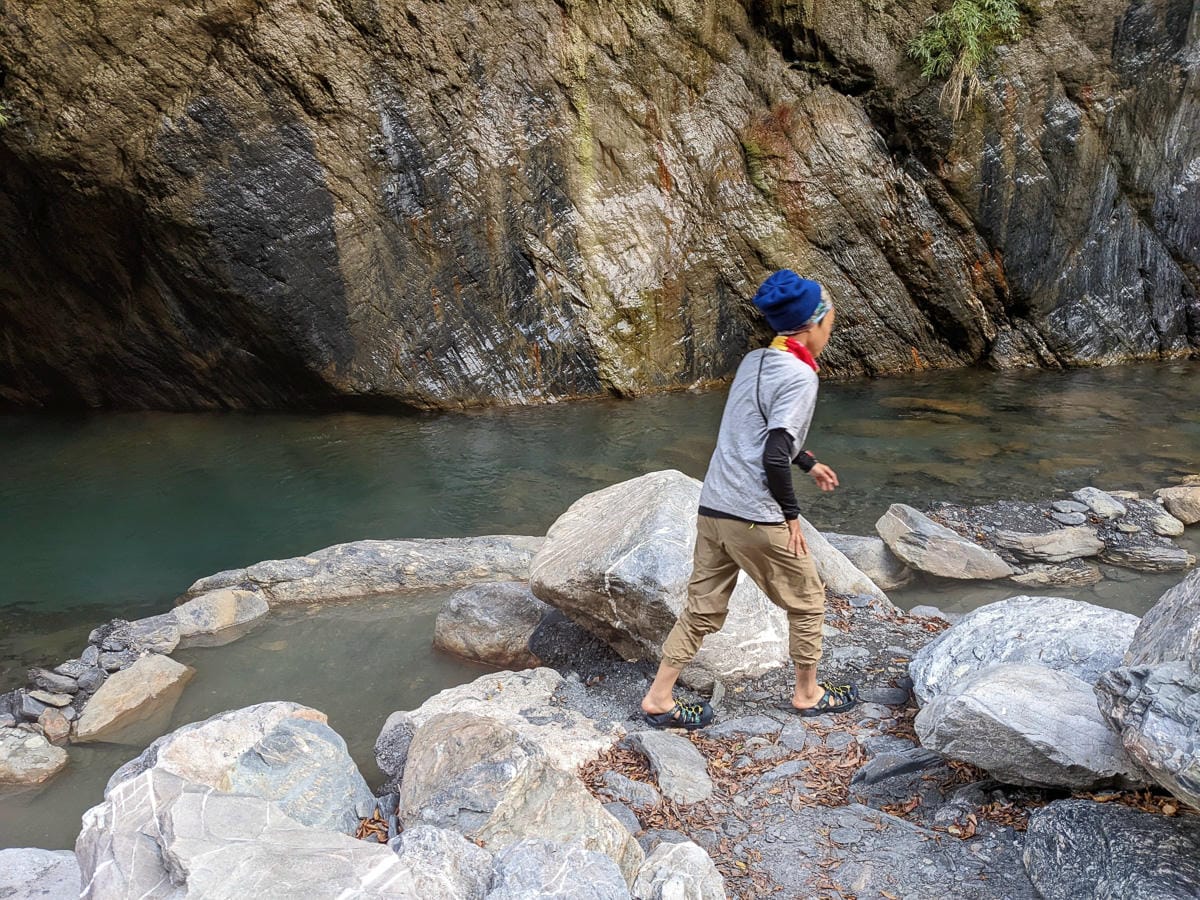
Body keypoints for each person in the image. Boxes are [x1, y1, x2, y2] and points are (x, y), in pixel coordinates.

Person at [639, 269, 857, 729]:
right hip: (755, 516)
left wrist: (809, 462)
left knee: (703, 608)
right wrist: (791, 516)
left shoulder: (757, 359)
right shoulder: (800, 376)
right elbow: (774, 454)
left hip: (714, 506)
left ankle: (659, 697)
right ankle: (807, 693)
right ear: (814, 323)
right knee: (808, 600)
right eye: (830, 317)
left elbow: (759, 433)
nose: (832, 326)